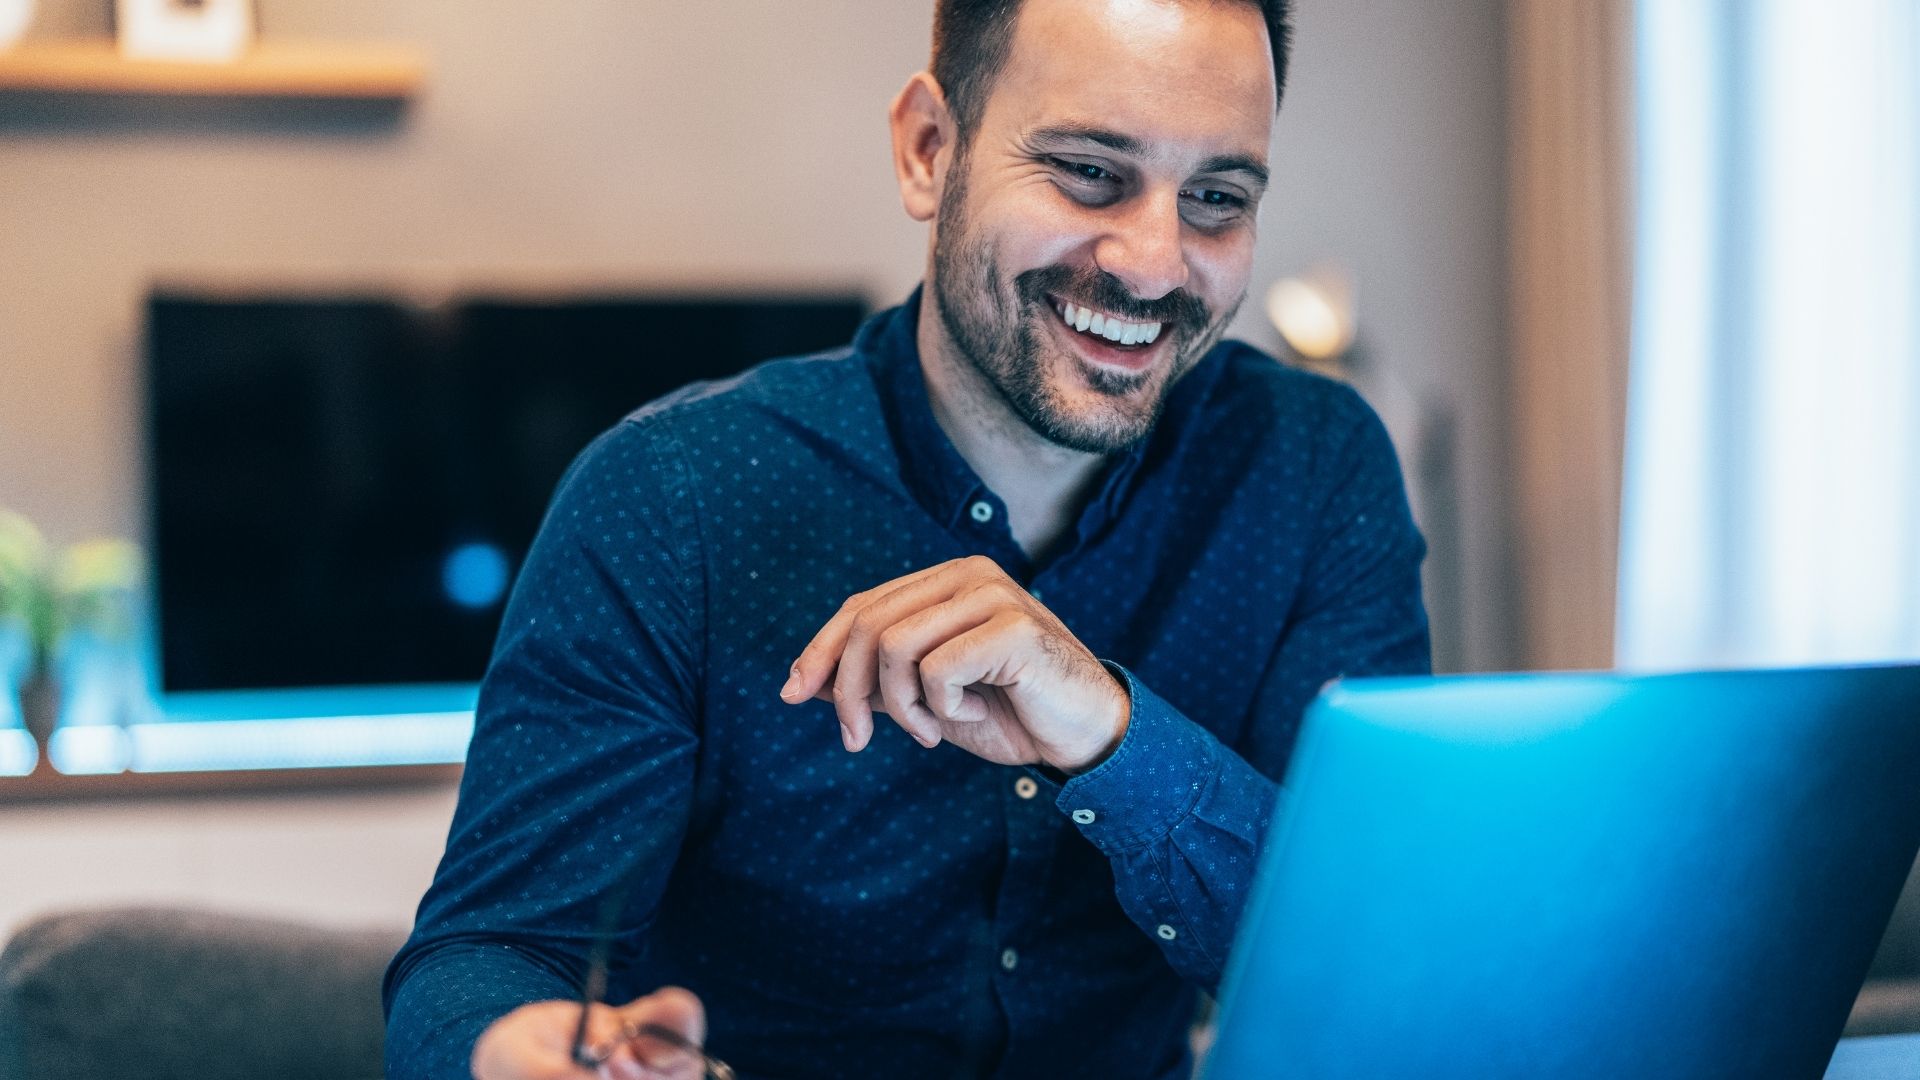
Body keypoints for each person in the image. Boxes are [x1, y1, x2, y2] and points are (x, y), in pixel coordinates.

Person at [384, 0, 1430, 1076]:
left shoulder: (1313, 469)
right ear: (930, 149)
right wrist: (524, 1051)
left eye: (1216, 198)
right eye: (1088, 172)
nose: (1157, 264)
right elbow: (485, 959)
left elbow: (1384, 969)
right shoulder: (670, 497)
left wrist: (1115, 737)